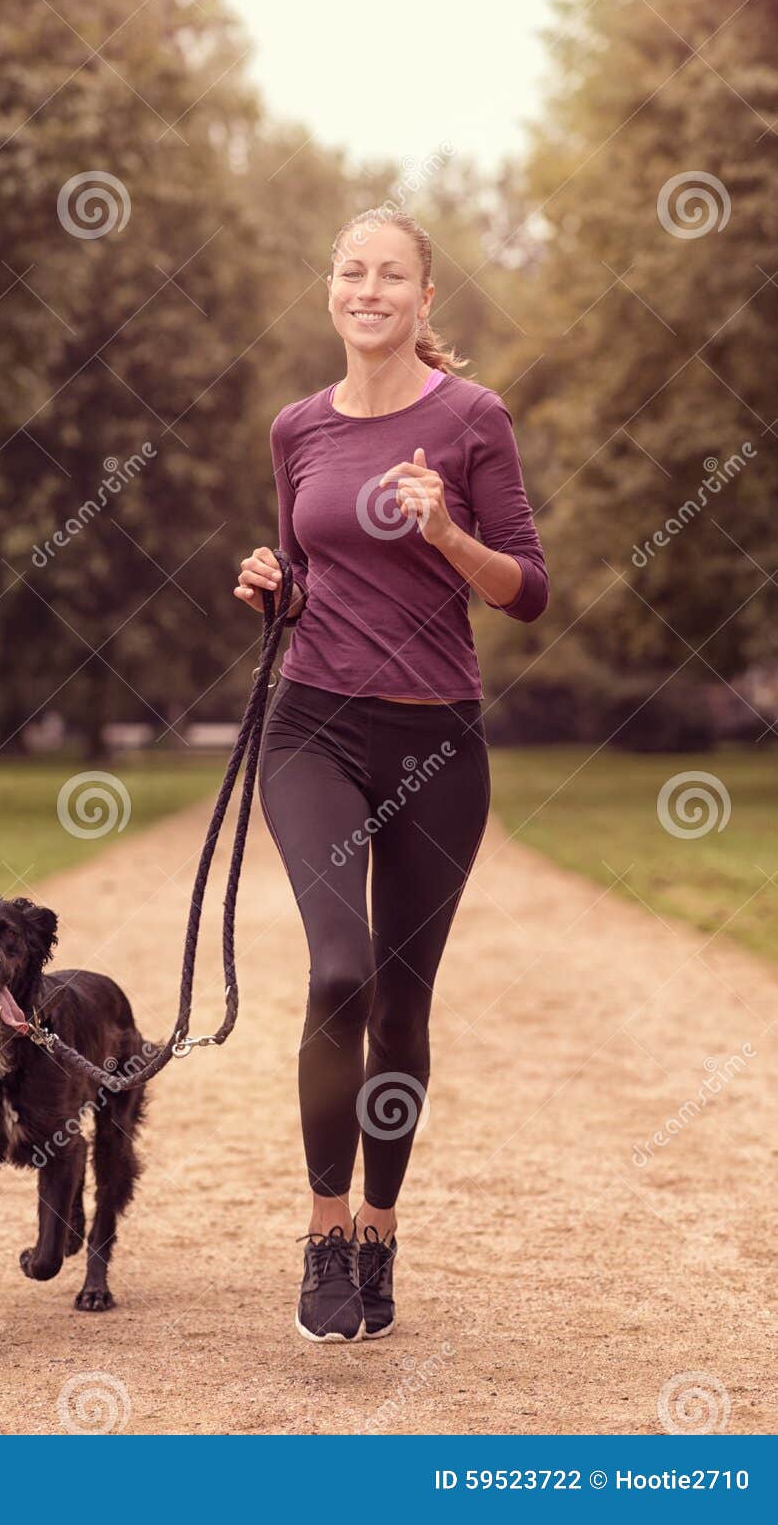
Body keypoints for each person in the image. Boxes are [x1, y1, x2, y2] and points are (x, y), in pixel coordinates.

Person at [235, 209, 550, 1342]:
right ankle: (323, 1236)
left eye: (392, 275)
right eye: (352, 272)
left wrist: (449, 533)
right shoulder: (297, 429)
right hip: (312, 726)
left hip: (435, 741)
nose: (369, 290)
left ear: (425, 299)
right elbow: (312, 580)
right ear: (333, 290)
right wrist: (276, 585)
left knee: (404, 1005)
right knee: (339, 970)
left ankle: (379, 1231)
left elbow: (528, 589)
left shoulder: (472, 419)